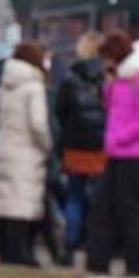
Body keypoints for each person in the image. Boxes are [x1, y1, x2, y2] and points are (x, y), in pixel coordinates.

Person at [87, 33, 139, 277]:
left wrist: (119, 137)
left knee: (130, 209)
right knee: (104, 207)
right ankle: (99, 261)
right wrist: (109, 83)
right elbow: (110, 106)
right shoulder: (122, 78)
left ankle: (137, 264)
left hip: (136, 152)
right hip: (119, 152)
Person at [0, 42, 53, 266]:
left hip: (5, 146)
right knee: (25, 202)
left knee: (7, 201)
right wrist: (47, 144)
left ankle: (6, 251)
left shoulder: (6, 85)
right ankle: (22, 253)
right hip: (27, 149)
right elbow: (38, 124)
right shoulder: (33, 87)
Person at [53, 31, 107, 263]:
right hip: (104, 146)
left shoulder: (69, 79)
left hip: (75, 146)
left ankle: (70, 243)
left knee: (74, 195)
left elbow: (60, 113)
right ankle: (97, 241)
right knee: (99, 197)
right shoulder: (110, 76)